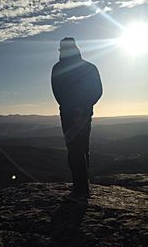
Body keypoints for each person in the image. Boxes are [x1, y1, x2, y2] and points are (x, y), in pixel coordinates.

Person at [51, 37, 103, 200]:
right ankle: (83, 185)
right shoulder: (90, 67)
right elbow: (98, 91)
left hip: (68, 114)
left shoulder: (57, 68)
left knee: (74, 148)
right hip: (85, 113)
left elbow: (57, 92)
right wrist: (84, 108)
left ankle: (80, 187)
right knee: (83, 147)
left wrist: (72, 109)